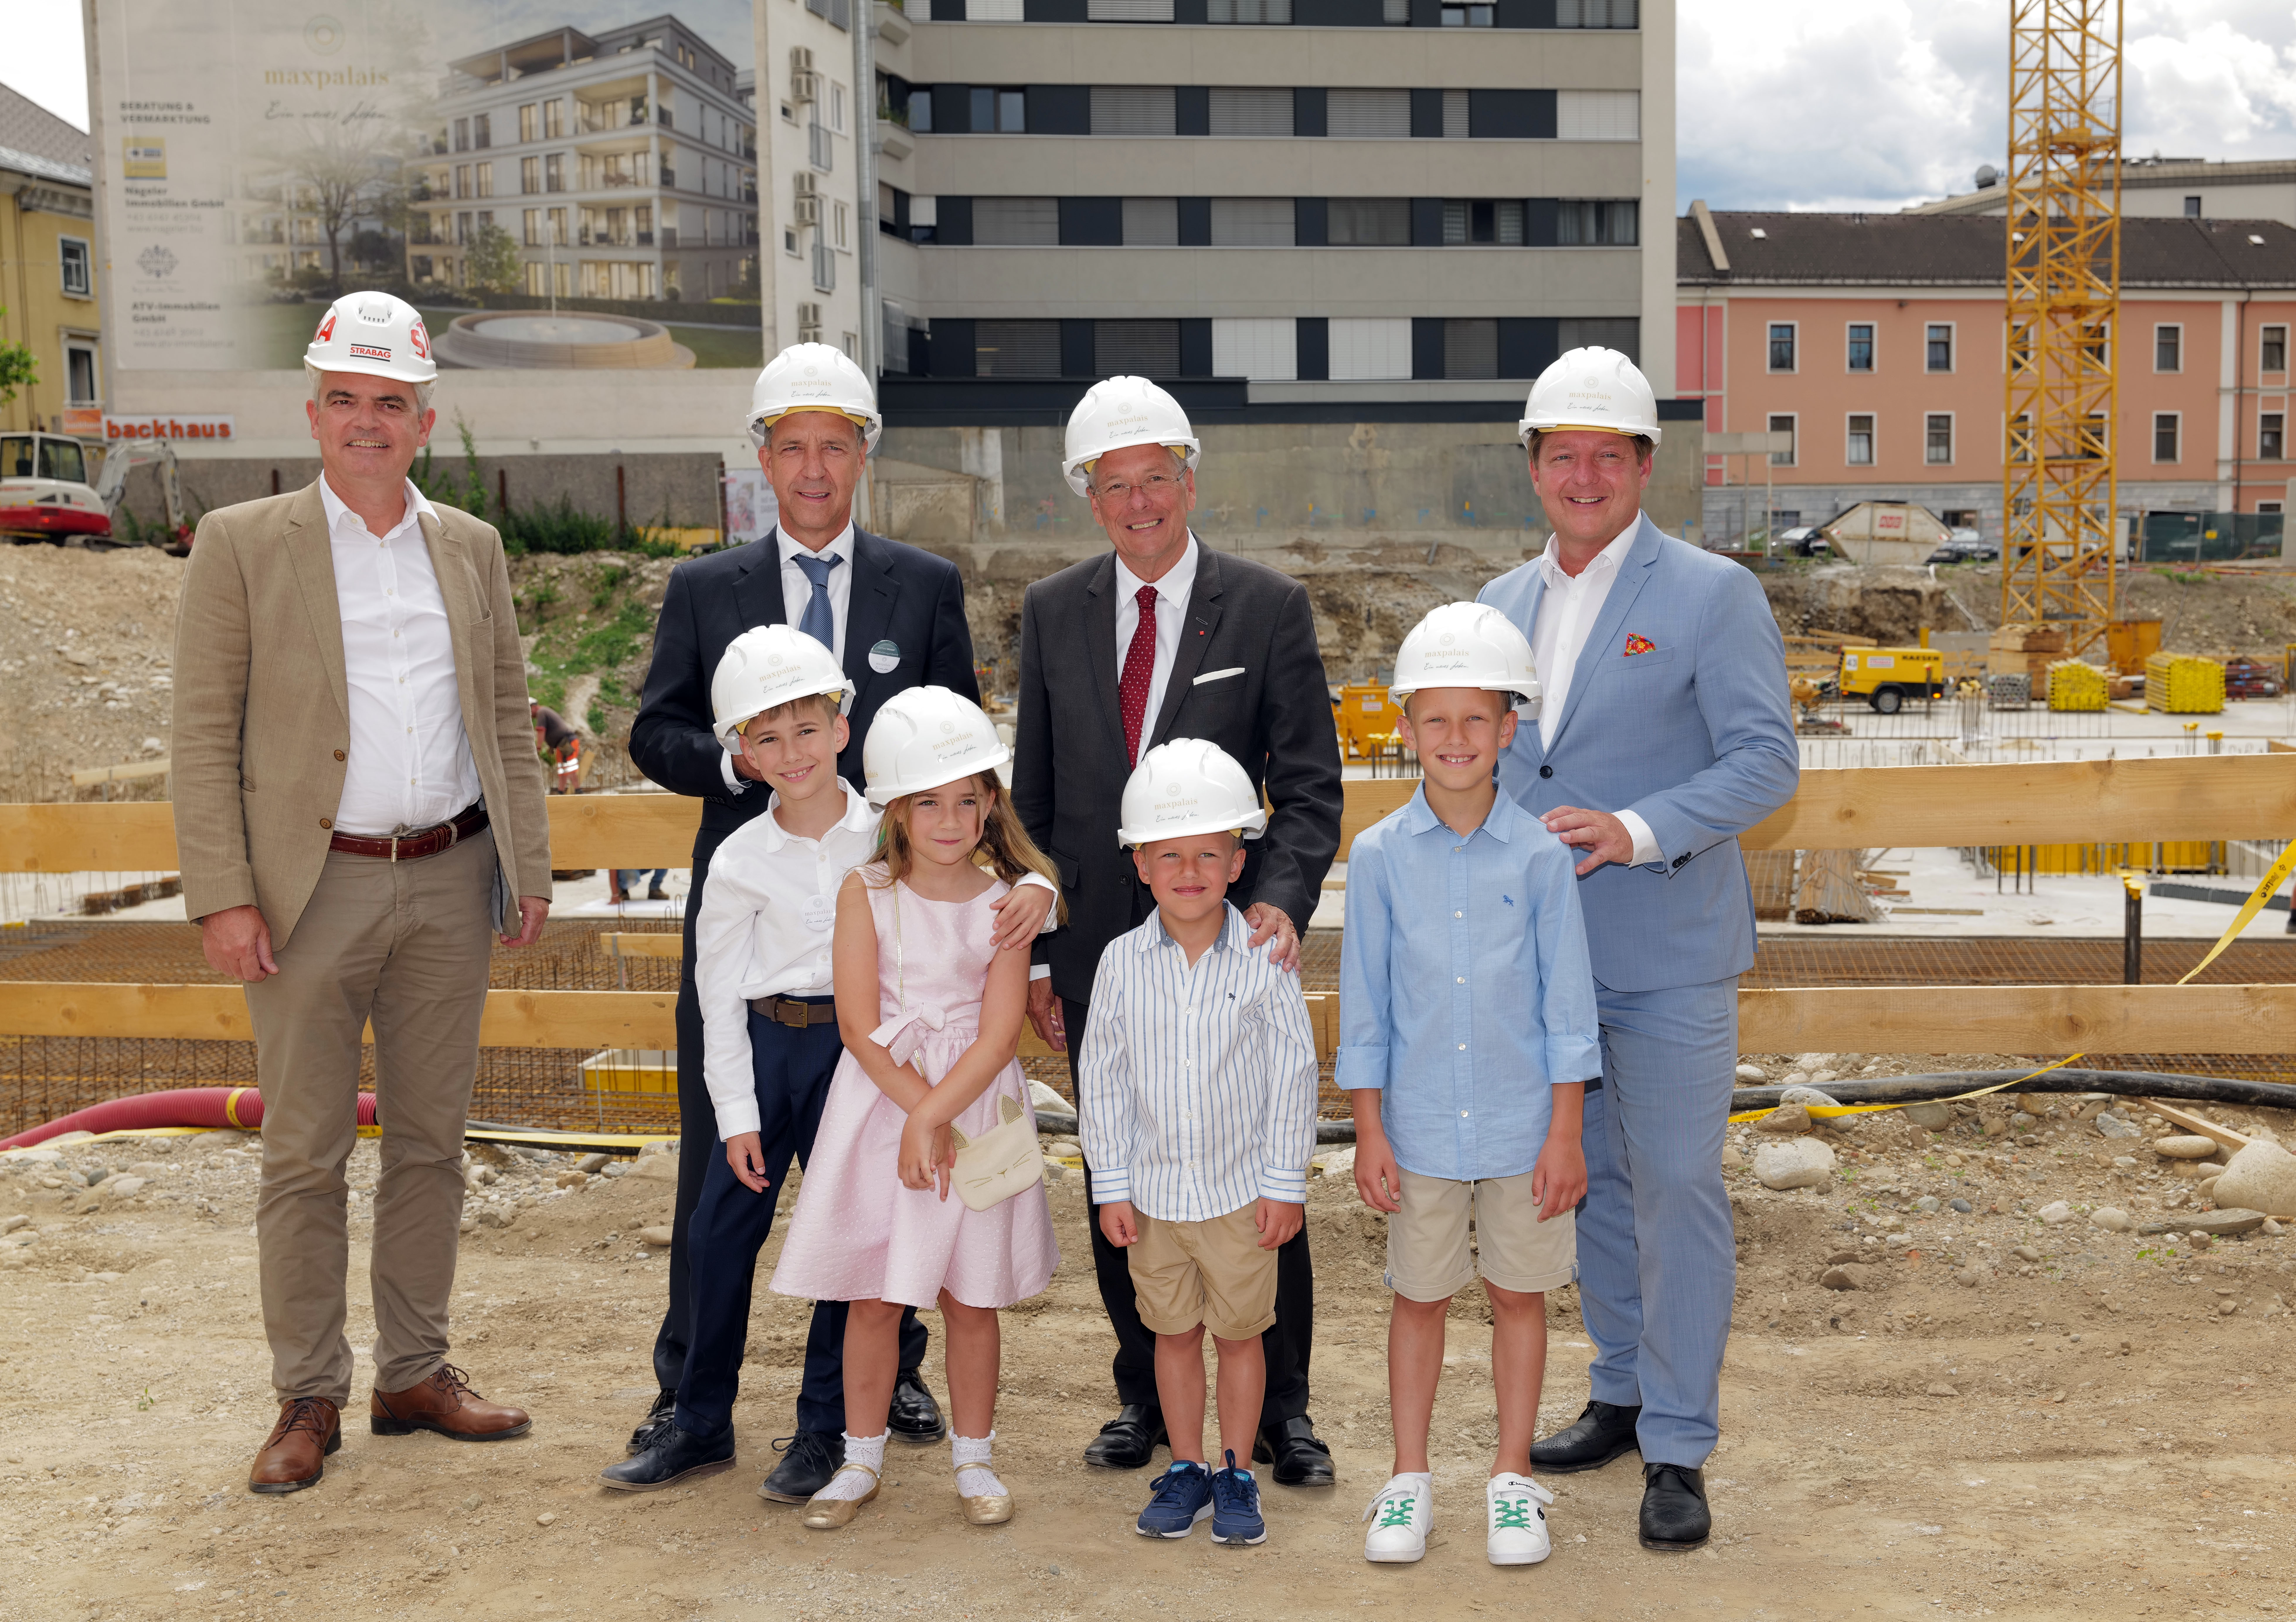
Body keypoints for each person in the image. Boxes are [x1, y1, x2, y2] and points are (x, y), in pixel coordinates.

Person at [628, 345, 1055, 1501]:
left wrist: (1031, 892)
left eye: (837, 444)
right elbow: (651, 734)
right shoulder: (708, 591)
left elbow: (961, 756)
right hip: (761, 946)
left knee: (871, 1197)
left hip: (897, 953)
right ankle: (693, 1408)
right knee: (722, 1199)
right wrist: (744, 759)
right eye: (792, 447)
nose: (815, 469)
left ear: (865, 453)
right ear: (762, 459)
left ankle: (844, 1416)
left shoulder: (922, 585)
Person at [172, 291, 553, 1495]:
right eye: (346, 399)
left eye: (390, 402)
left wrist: (528, 862)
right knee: (304, 1153)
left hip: (451, 877)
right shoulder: (243, 544)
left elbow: (505, 713)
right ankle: (308, 1394)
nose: (367, 423)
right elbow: (199, 732)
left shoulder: (472, 549)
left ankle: (414, 1371)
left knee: (434, 1143)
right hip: (309, 890)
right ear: (314, 410)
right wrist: (223, 894)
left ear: (423, 420)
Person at [1476, 348, 1798, 1552]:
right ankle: (1618, 1390)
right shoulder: (1500, 608)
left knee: (1674, 1184)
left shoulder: (1713, 595)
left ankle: (1679, 1441)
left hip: (1665, 952)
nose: (1585, 476)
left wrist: (1638, 829)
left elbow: (1767, 761)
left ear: (1647, 467)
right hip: (1547, 962)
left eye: (1610, 454)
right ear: (1534, 469)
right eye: (1563, 455)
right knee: (1591, 1183)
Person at [1011, 376, 1343, 1484]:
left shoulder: (1264, 608)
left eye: (1158, 478)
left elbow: (1305, 789)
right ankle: (1143, 1398)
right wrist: (1048, 952)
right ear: (1087, 497)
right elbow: (1041, 801)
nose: (1140, 501)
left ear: (1190, 479)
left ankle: (1283, 1410)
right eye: (1117, 484)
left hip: (1228, 949)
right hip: (1111, 954)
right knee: (1129, 1172)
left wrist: (1277, 903)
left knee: (1256, 1181)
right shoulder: (1053, 612)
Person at [1338, 603, 1600, 1567]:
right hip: (1414, 1133)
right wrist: (1369, 1131)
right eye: (1434, 720)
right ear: (1403, 727)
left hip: (1523, 1126)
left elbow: (1566, 1008)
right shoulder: (1375, 858)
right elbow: (1364, 1008)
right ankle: (1407, 1479)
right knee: (1419, 1295)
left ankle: (1509, 1478)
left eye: (1476, 719)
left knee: (1519, 1294)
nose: (1455, 739)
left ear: (1508, 729)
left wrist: (1563, 1132)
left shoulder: (1538, 858)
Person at [767, 686, 1063, 1530]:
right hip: (882, 1108)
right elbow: (860, 1027)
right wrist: (913, 1111)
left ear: (989, 805)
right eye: (927, 800)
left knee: (972, 1297)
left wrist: (936, 1117)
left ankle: (974, 1457)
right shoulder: (867, 890)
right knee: (874, 1293)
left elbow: (1001, 1034)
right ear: (896, 809)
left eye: (966, 799)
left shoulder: (1007, 898)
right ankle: (859, 1458)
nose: (948, 818)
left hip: (972, 1104)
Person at [1080, 740, 1319, 1548]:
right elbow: (1104, 1081)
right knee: (1172, 1334)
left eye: (1209, 852)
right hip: (1153, 1200)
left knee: (1241, 1334)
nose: (1190, 869)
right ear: (1139, 863)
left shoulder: (1262, 958)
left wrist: (1285, 1184)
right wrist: (1110, 1185)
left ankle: (1235, 1470)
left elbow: (1293, 1073)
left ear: (1238, 858)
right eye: (1169, 853)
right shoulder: (1119, 964)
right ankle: (1185, 1466)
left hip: (1238, 1197)